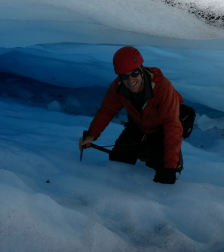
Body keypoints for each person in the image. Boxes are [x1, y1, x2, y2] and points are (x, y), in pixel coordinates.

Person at [79, 46, 184, 184]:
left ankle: (172, 159)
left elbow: (172, 124)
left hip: (162, 129)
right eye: (124, 76)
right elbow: (107, 111)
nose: (130, 80)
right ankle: (144, 148)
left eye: (134, 73)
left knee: (160, 166)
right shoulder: (117, 87)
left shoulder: (162, 87)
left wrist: (170, 166)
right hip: (138, 126)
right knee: (119, 160)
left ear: (141, 70)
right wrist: (91, 135)